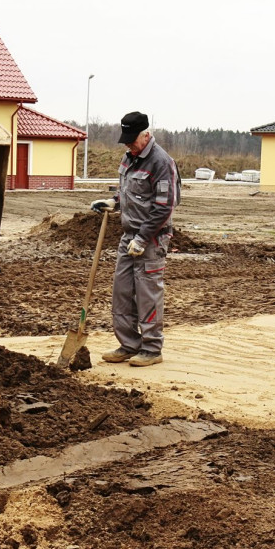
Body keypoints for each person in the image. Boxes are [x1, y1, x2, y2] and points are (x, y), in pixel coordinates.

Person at [90, 111, 180, 367]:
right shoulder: (129, 157)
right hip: (128, 235)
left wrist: (142, 238)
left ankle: (151, 348)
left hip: (152, 239)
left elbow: (164, 206)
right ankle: (129, 344)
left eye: (132, 139)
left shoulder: (161, 162)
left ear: (146, 135)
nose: (128, 144)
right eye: (126, 140)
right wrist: (113, 202)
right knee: (122, 291)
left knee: (147, 293)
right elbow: (128, 192)